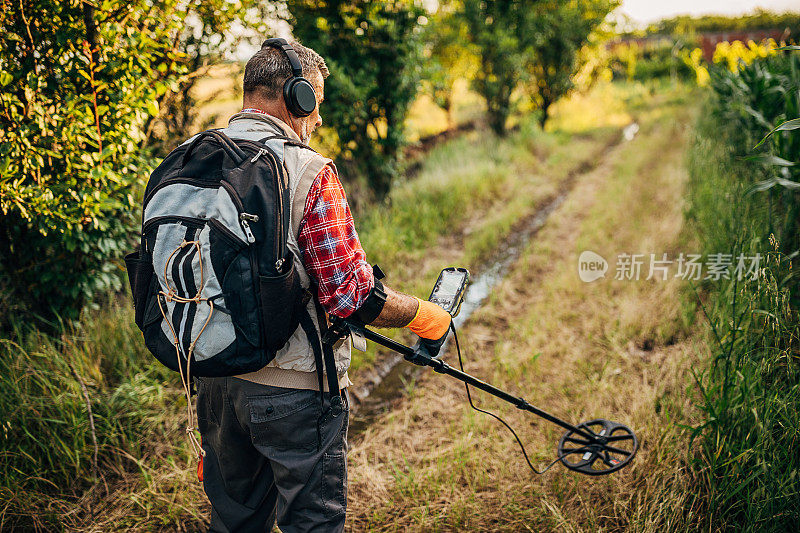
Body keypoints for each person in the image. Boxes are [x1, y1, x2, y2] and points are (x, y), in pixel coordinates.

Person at [193, 39, 453, 532]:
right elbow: (351, 295)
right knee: (312, 523)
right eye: (315, 106)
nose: (316, 123)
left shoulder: (195, 158)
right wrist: (426, 315)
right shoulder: (307, 170)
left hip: (216, 384)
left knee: (234, 523)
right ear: (298, 98)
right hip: (294, 394)